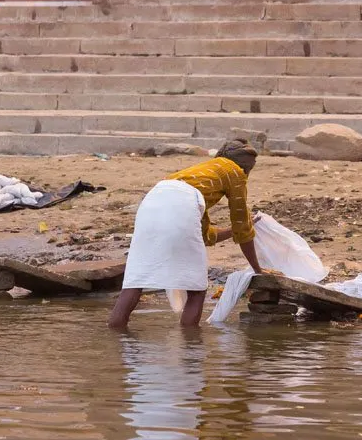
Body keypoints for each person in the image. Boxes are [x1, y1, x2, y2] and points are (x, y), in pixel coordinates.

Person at [109, 140, 263, 329]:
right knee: (197, 289)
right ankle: (190, 348)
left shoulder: (197, 176)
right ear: (246, 166)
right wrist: (257, 269)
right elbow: (242, 225)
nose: (247, 174)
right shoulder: (234, 172)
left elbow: (206, 236)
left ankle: (118, 340)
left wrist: (234, 231)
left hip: (151, 200)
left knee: (135, 281)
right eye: (249, 169)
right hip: (183, 204)